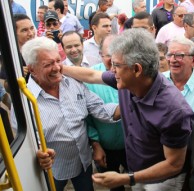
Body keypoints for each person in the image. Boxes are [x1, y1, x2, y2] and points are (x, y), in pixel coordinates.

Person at [63, 28, 194, 190]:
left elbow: (174, 165)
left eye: (116, 65)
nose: (111, 70)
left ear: (137, 69)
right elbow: (91, 75)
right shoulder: (127, 81)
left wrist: (127, 178)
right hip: (136, 174)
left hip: (162, 181)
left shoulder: (175, 111)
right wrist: (60, 69)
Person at [21, 36, 120, 191]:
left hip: (83, 162)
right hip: (52, 169)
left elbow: (100, 109)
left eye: (58, 61)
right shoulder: (25, 100)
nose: (57, 68)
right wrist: (39, 153)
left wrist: (127, 106)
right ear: (32, 69)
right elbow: (25, 141)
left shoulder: (73, 84)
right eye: (48, 64)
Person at [87, 35, 128, 191]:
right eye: (108, 55)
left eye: (117, 54)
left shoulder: (132, 74)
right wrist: (95, 145)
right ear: (100, 55)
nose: (113, 60)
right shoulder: (89, 78)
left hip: (132, 148)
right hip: (104, 149)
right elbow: (85, 117)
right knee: (115, 187)